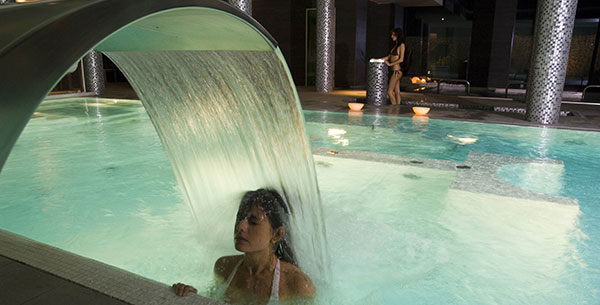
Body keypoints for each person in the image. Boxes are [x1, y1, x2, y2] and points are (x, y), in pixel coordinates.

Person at [173, 188, 315, 304]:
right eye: (240, 218)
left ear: (277, 234)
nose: (241, 226)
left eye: (253, 222)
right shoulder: (224, 267)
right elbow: (213, 299)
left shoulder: (297, 284)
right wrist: (190, 294)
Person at [379, 28, 406, 105]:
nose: (391, 36)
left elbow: (401, 59)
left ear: (397, 35)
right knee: (397, 92)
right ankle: (398, 110)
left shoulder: (402, 45)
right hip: (395, 71)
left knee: (389, 92)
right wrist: (377, 59)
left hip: (397, 72)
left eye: (393, 34)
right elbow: (388, 57)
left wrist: (390, 64)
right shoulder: (395, 46)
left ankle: (394, 108)